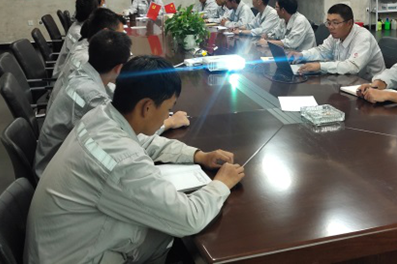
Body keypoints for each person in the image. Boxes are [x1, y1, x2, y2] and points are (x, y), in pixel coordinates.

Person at [25, 56, 245, 264]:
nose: (167, 116)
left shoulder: (100, 115)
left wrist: (198, 155)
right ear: (147, 107)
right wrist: (221, 184)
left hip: (64, 242)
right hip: (73, 257)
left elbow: (145, 143)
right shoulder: (123, 162)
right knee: (173, 231)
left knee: (162, 231)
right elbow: (189, 218)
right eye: (168, 109)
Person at [36, 31, 190, 177]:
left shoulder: (85, 75)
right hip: (53, 169)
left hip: (60, 160)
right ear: (119, 68)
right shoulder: (92, 96)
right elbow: (128, 131)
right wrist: (169, 122)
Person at [48, 8, 125, 106]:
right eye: (119, 36)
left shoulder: (87, 46)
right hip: (76, 110)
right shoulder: (85, 58)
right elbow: (103, 94)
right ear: (105, 34)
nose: (121, 41)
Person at [293, 4, 385, 78]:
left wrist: (320, 66)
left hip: (371, 85)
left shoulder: (363, 37)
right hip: (347, 80)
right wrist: (302, 55)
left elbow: (353, 66)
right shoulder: (336, 35)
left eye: (335, 23)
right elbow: (322, 51)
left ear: (349, 23)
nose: (330, 27)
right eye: (328, 22)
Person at [53, 0, 100, 78]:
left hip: (72, 72)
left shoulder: (80, 25)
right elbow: (90, 57)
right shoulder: (78, 32)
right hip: (65, 76)